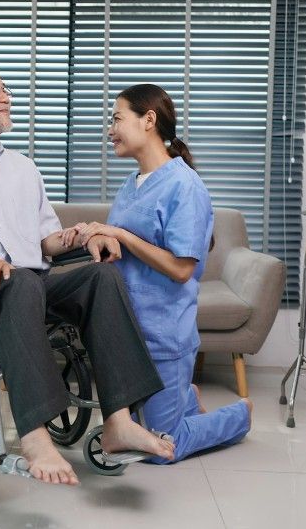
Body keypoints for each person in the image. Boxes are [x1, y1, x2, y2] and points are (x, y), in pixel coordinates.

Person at [0, 63, 174, 485]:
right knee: (19, 279)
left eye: (6, 88)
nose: (6, 95)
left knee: (101, 276)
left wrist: (83, 237)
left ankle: (118, 421)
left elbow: (46, 241)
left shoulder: (23, 167)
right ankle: (34, 435)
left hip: (25, 282)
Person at [63, 84, 252, 463]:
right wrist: (95, 233)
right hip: (124, 333)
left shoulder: (185, 186)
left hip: (162, 334)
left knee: (159, 449)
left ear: (148, 120)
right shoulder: (130, 184)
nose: (109, 129)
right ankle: (183, 398)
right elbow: (123, 247)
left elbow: (183, 269)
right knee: (130, 434)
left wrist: (120, 234)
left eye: (116, 118)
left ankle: (239, 415)